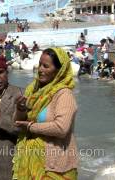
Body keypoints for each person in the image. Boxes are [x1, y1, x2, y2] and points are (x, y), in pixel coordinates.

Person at [13, 48, 78, 179]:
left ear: (59, 71)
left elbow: (61, 128)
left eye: (46, 66)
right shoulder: (33, 90)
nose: (40, 69)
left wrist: (31, 127)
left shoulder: (64, 94)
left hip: (54, 165)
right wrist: (20, 109)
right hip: (30, 158)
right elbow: (18, 124)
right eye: (40, 64)